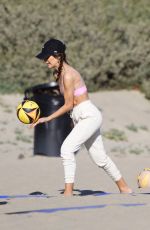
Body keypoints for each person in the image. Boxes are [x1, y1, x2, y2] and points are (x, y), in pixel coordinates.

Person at [31, 38, 132, 196]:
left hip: (89, 115)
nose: (44, 60)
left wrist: (46, 118)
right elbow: (72, 106)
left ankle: (68, 192)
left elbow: (68, 104)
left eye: (47, 56)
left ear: (58, 55)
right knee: (100, 159)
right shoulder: (59, 74)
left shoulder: (69, 75)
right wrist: (73, 121)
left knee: (66, 150)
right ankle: (125, 188)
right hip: (82, 117)